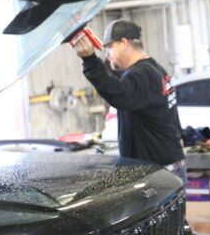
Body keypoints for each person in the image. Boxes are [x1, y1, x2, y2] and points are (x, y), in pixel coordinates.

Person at [73, 19, 186, 181]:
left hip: (158, 173)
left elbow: (119, 94)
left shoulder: (141, 75)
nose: (107, 54)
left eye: (109, 47)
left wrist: (90, 61)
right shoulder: (154, 69)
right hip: (166, 165)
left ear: (124, 43)